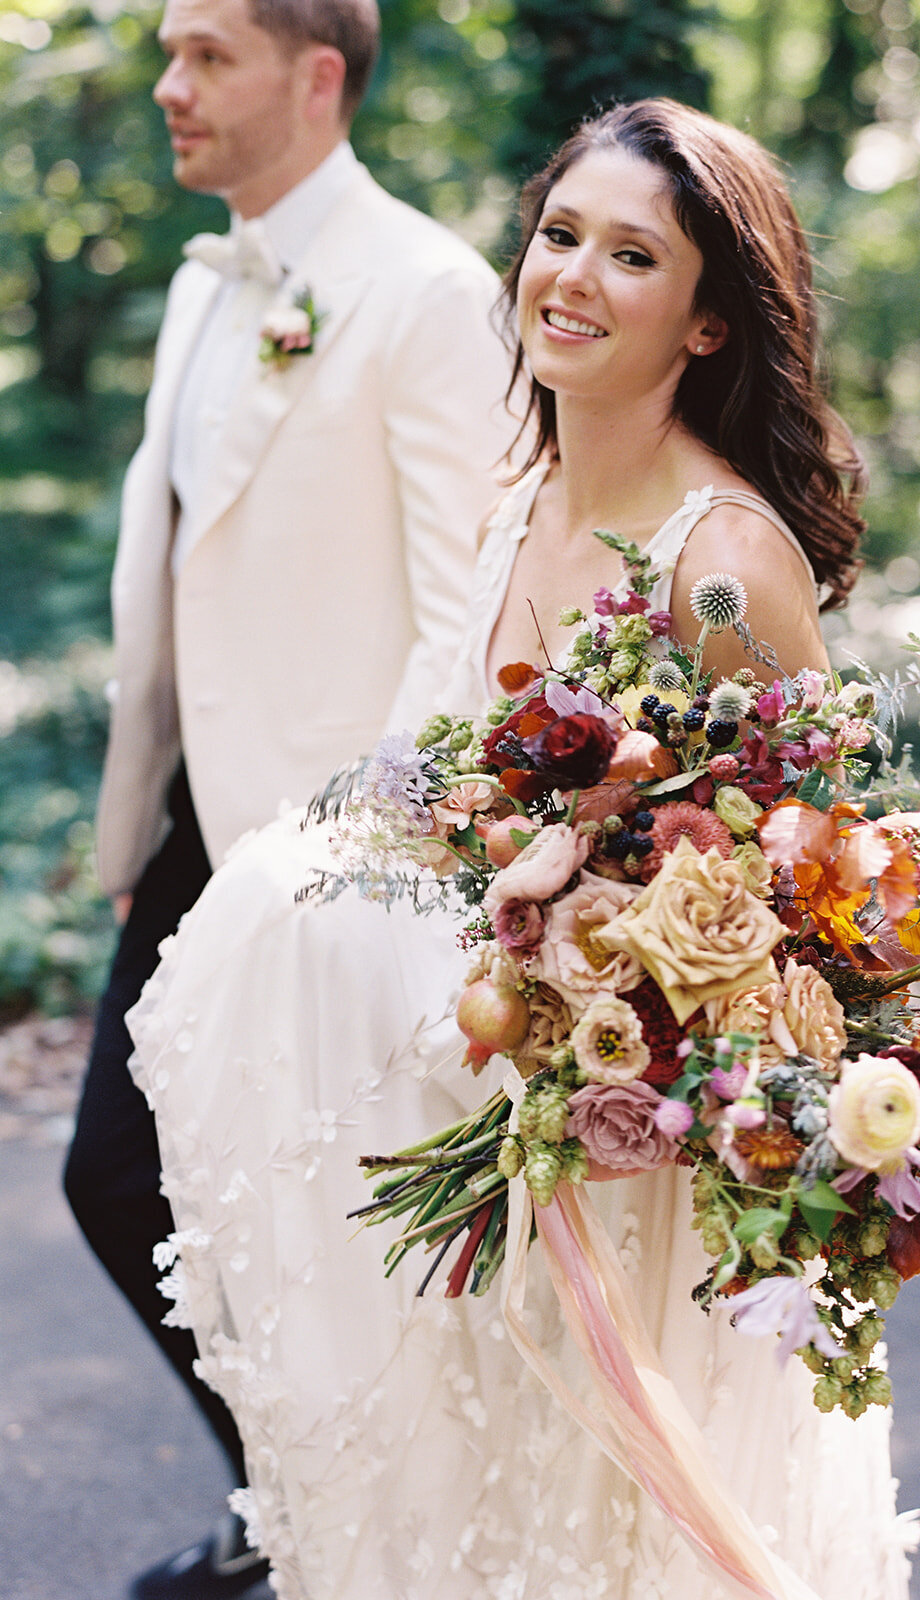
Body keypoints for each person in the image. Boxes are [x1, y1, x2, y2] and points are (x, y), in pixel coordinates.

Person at [127, 99, 920, 1599]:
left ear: (705, 324)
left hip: (624, 1137)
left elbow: (814, 887)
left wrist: (597, 927)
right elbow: (454, 772)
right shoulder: (521, 493)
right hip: (478, 1088)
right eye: (560, 235)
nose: (571, 276)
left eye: (633, 256)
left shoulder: (720, 562)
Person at [62, 0, 513, 1594]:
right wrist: (143, 835)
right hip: (201, 837)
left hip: (343, 864)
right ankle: (306, 1507)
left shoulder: (426, 293)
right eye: (170, 55)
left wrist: (358, 864)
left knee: (330, 1235)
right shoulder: (210, 282)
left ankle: (366, 1542)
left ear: (317, 77)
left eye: (206, 57)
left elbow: (471, 611)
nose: (170, 89)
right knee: (120, 1177)